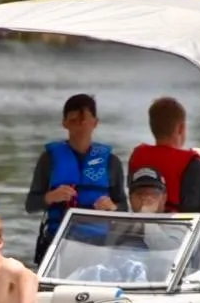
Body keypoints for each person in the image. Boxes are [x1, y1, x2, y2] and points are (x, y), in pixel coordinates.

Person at [25, 93, 128, 265]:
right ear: (64, 123)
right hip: (58, 243)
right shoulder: (49, 159)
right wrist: (50, 197)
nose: (80, 126)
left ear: (95, 123)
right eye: (73, 121)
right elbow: (30, 205)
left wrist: (113, 208)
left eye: (84, 121)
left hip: (99, 246)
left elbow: (124, 208)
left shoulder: (111, 162)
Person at [128, 97, 200, 218]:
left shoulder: (137, 157)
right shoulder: (194, 165)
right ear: (181, 128)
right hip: (187, 229)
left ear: (152, 127)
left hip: (144, 227)